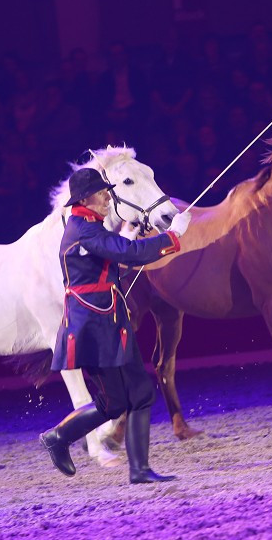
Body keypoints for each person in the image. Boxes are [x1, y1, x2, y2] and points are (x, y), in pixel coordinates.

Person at [40, 167, 191, 483]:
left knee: (136, 395)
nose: (108, 198)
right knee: (114, 402)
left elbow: (110, 252)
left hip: (110, 323)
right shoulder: (84, 229)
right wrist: (174, 236)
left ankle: (139, 470)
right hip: (96, 328)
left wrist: (127, 233)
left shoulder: (88, 227)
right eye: (102, 194)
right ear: (86, 199)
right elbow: (130, 254)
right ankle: (59, 437)